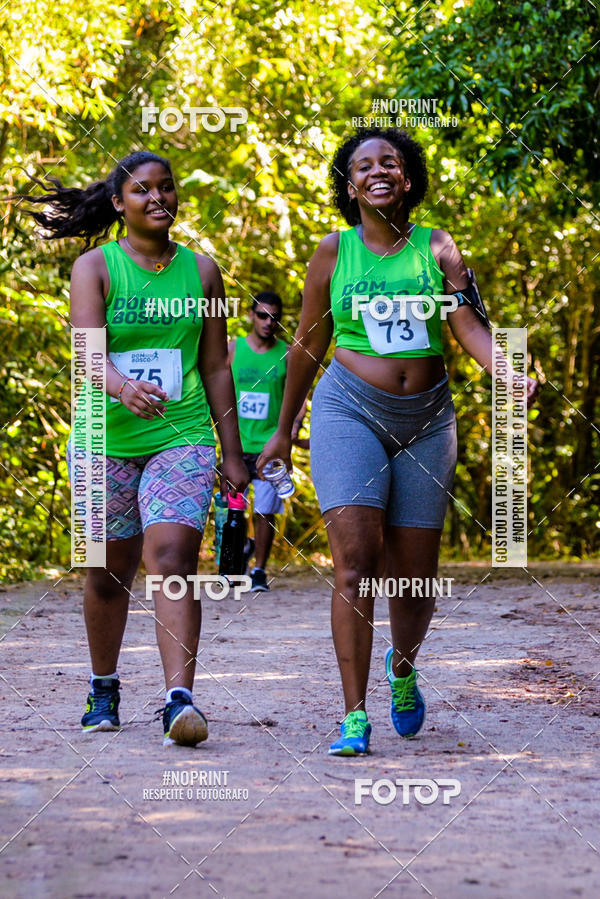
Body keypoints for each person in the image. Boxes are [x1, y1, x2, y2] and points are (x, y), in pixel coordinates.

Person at [258, 128, 539, 756]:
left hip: (427, 418)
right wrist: (283, 429)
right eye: (364, 165)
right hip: (348, 409)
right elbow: (308, 344)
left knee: (414, 578)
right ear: (350, 185)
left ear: (407, 179)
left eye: (390, 161)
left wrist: (509, 373)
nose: (378, 170)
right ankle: (353, 716)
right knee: (354, 561)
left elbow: (470, 325)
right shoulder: (333, 253)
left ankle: (403, 666)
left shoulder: (438, 249)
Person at [18, 151, 248, 746]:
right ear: (119, 203)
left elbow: (217, 363)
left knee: (170, 558)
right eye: (142, 190)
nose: (158, 198)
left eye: (167, 188)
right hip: (104, 436)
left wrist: (232, 451)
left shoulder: (202, 272)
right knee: (105, 571)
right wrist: (122, 388)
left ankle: (179, 701)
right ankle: (104, 686)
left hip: (184, 432)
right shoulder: (94, 267)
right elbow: (88, 353)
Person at [228, 292, 307, 591]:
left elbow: (298, 395)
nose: (268, 322)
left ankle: (259, 570)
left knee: (265, 509)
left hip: (269, 446)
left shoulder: (286, 354)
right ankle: (234, 566)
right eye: (262, 315)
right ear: (251, 316)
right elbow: (216, 386)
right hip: (237, 446)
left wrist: (291, 430)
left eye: (274, 317)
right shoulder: (233, 349)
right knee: (234, 510)